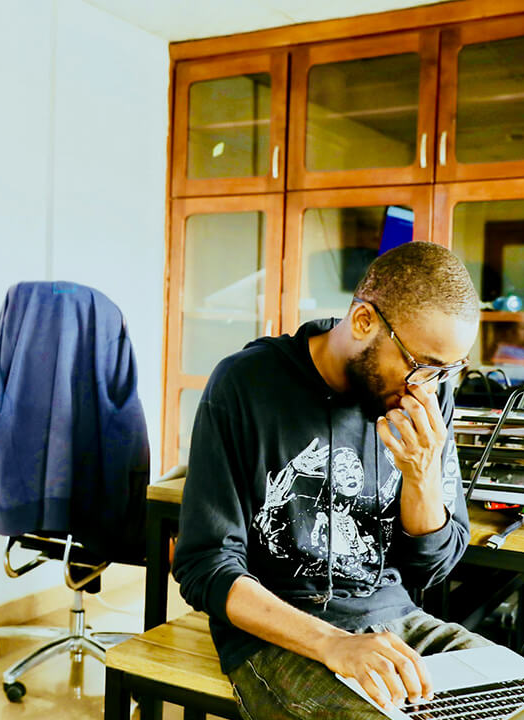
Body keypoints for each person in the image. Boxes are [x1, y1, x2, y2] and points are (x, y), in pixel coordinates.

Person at [172, 242, 487, 720]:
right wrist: (333, 643)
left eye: (446, 372)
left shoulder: (425, 397)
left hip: (398, 622)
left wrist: (422, 475)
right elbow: (205, 566)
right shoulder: (246, 384)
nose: (427, 387)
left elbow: (432, 569)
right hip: (279, 634)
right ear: (363, 321)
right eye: (421, 365)